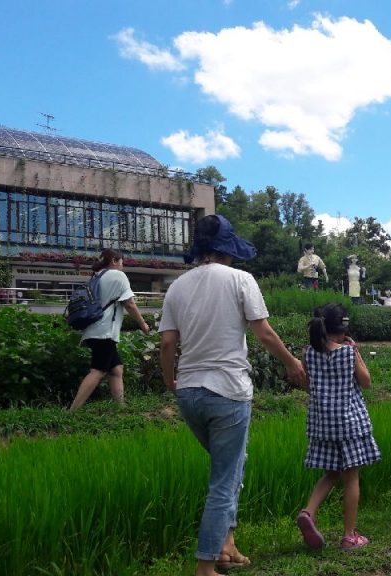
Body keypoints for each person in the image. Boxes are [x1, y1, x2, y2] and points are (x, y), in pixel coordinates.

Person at [158, 215, 306, 576]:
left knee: (231, 464)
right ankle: (206, 567)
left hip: (190, 392)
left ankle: (227, 545)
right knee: (224, 479)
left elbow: (166, 343)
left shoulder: (177, 286)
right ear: (227, 248)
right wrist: (291, 363)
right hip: (227, 391)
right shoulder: (241, 280)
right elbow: (264, 332)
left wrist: (170, 382)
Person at [295, 303, 379, 551]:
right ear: (343, 329)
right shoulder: (347, 352)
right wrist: (356, 352)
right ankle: (349, 536)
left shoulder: (308, 353)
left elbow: (309, 386)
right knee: (351, 478)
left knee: (332, 473)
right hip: (349, 423)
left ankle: (308, 512)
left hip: (323, 424)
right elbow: (366, 382)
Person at [69, 248, 150, 411]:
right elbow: (129, 303)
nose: (123, 265)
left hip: (93, 330)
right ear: (114, 260)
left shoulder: (97, 276)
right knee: (97, 371)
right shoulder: (118, 276)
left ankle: (121, 408)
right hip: (103, 332)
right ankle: (72, 411)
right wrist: (143, 324)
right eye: (121, 261)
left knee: (116, 369)